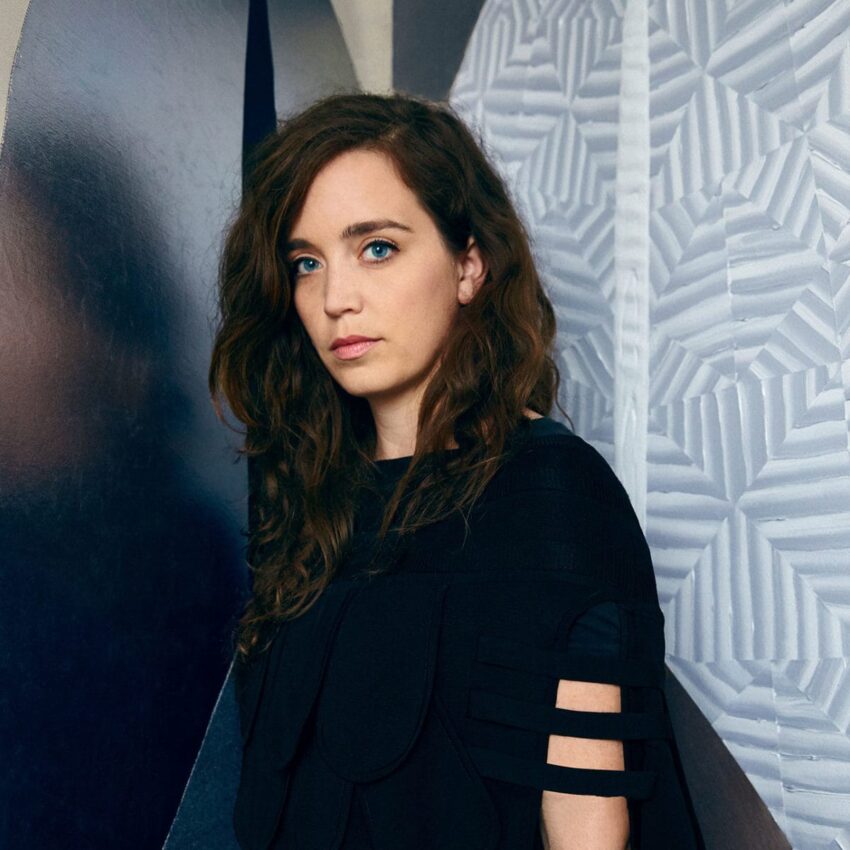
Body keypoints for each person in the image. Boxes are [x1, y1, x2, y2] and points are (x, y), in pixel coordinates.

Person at [209, 90, 705, 850]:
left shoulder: (551, 495)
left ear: (469, 265)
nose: (336, 298)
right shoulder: (311, 507)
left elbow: (587, 830)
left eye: (377, 248)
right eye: (307, 263)